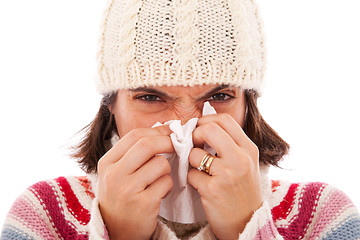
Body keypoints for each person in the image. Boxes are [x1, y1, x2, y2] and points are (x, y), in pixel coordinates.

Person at [1, 0, 360, 239]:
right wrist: (117, 233)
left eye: (218, 97)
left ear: (248, 104)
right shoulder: (45, 214)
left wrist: (247, 227)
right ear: (111, 104)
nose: (185, 126)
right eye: (150, 97)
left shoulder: (322, 215)